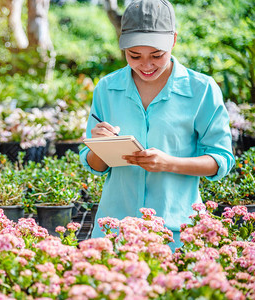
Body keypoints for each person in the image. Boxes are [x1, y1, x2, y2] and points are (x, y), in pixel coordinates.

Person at [79, 0, 235, 250]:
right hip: (114, 231)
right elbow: (94, 164)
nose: (146, 65)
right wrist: (99, 146)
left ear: (173, 41)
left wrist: (168, 163)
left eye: (157, 55)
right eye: (134, 55)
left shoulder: (202, 90)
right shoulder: (107, 88)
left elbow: (221, 160)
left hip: (176, 232)